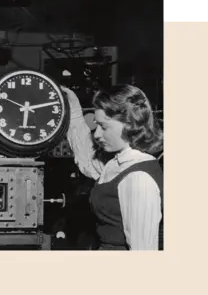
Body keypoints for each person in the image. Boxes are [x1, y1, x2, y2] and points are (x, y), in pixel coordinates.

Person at [61, 84, 163, 250]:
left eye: (104, 127)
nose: (97, 134)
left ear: (130, 123)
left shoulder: (139, 178)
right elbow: (87, 160)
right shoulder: (116, 164)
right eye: (97, 125)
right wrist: (72, 107)